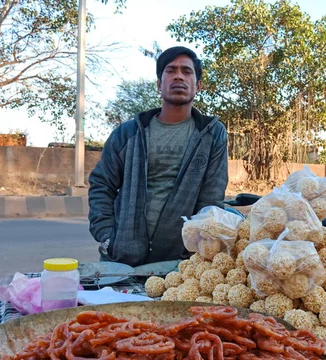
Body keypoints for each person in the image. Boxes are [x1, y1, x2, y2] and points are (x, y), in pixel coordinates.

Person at [88, 46, 228, 266]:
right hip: (121, 260)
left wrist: (194, 250)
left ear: (198, 85)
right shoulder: (129, 133)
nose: (179, 76)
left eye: (187, 71)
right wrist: (107, 237)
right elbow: (101, 185)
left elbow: (211, 200)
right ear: (159, 84)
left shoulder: (211, 134)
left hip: (180, 264)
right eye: (171, 70)